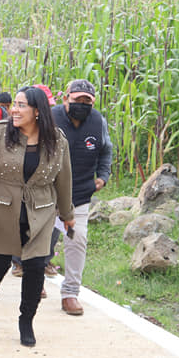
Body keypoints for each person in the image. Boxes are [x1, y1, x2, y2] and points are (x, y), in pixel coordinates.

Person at [0, 86, 74, 347]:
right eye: (14, 104)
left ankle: (26, 320)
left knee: (36, 266)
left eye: (21, 105)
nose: (14, 110)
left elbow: (64, 180)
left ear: (37, 111)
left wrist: (67, 214)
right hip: (2, 208)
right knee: (0, 262)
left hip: (40, 211)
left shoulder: (57, 140)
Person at [52, 78, 112, 316]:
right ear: (66, 98)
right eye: (78, 99)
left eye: (87, 101)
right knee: (39, 241)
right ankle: (34, 281)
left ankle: (70, 293)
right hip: (47, 192)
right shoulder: (50, 118)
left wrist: (104, 175)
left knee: (77, 240)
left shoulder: (98, 122)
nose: (82, 104)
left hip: (80, 193)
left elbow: (106, 149)